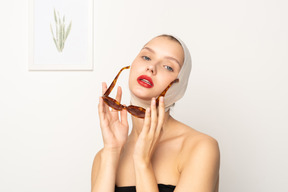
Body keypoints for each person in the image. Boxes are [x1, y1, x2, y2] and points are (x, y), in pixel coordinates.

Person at [91, 34, 220, 192]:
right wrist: (112, 151)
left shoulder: (200, 148)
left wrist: (142, 163)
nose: (151, 67)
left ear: (179, 86)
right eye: (146, 57)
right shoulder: (103, 157)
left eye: (168, 67)